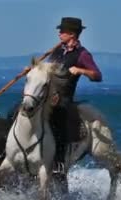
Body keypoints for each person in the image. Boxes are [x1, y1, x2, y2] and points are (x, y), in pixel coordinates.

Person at [46, 17, 102, 173]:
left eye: (62, 31)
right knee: (17, 110)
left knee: (57, 117)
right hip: (47, 95)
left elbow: (97, 75)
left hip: (63, 98)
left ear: (72, 34)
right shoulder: (57, 51)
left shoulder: (82, 54)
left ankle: (59, 162)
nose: (59, 34)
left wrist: (81, 70)